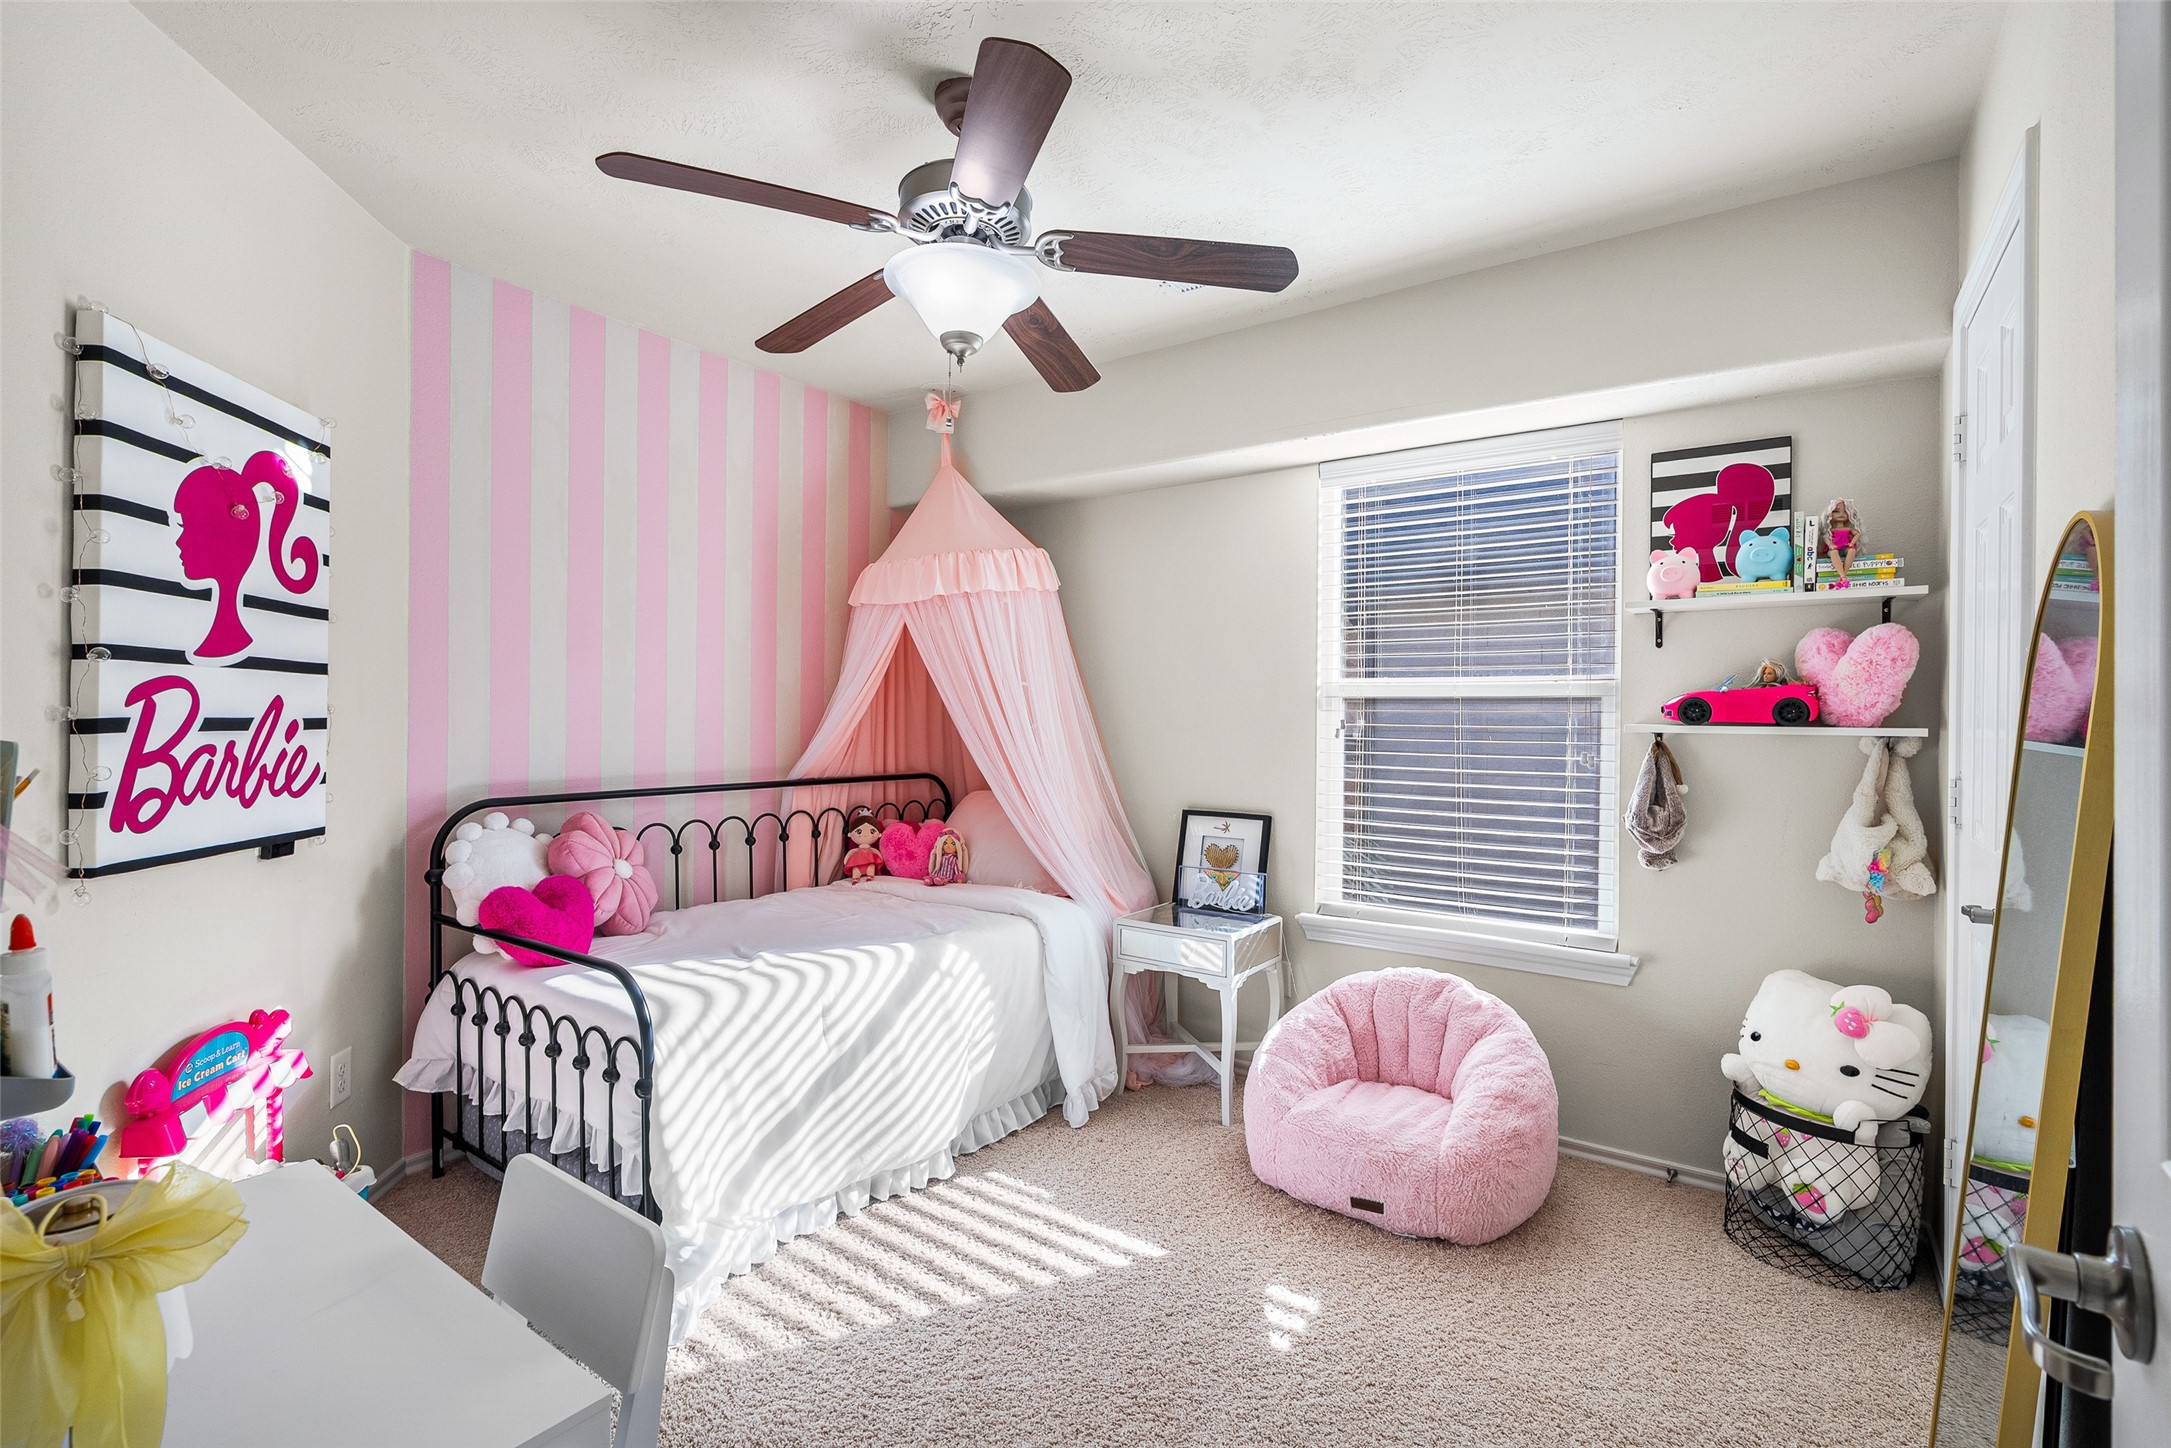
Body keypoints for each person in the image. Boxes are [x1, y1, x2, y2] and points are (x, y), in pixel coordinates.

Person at [840, 808, 884, 883]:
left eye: (872, 831)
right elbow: (850, 853)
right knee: (856, 870)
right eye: (859, 832)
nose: (866, 835)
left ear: (879, 834)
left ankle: (870, 875)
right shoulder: (856, 850)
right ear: (850, 834)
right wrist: (846, 860)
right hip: (857, 864)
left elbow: (877, 853)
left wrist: (880, 858)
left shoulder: (872, 849)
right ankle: (856, 877)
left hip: (869, 864)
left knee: (871, 867)